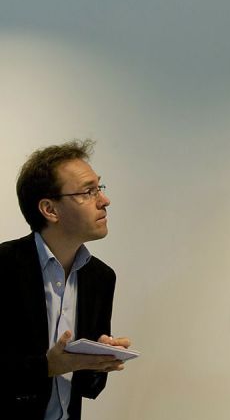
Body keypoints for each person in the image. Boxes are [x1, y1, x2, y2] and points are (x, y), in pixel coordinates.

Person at [2, 140, 131, 419]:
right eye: (88, 191)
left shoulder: (100, 277)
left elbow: (89, 388)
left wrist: (98, 359)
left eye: (99, 188)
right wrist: (47, 366)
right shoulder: (4, 266)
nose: (104, 200)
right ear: (50, 209)